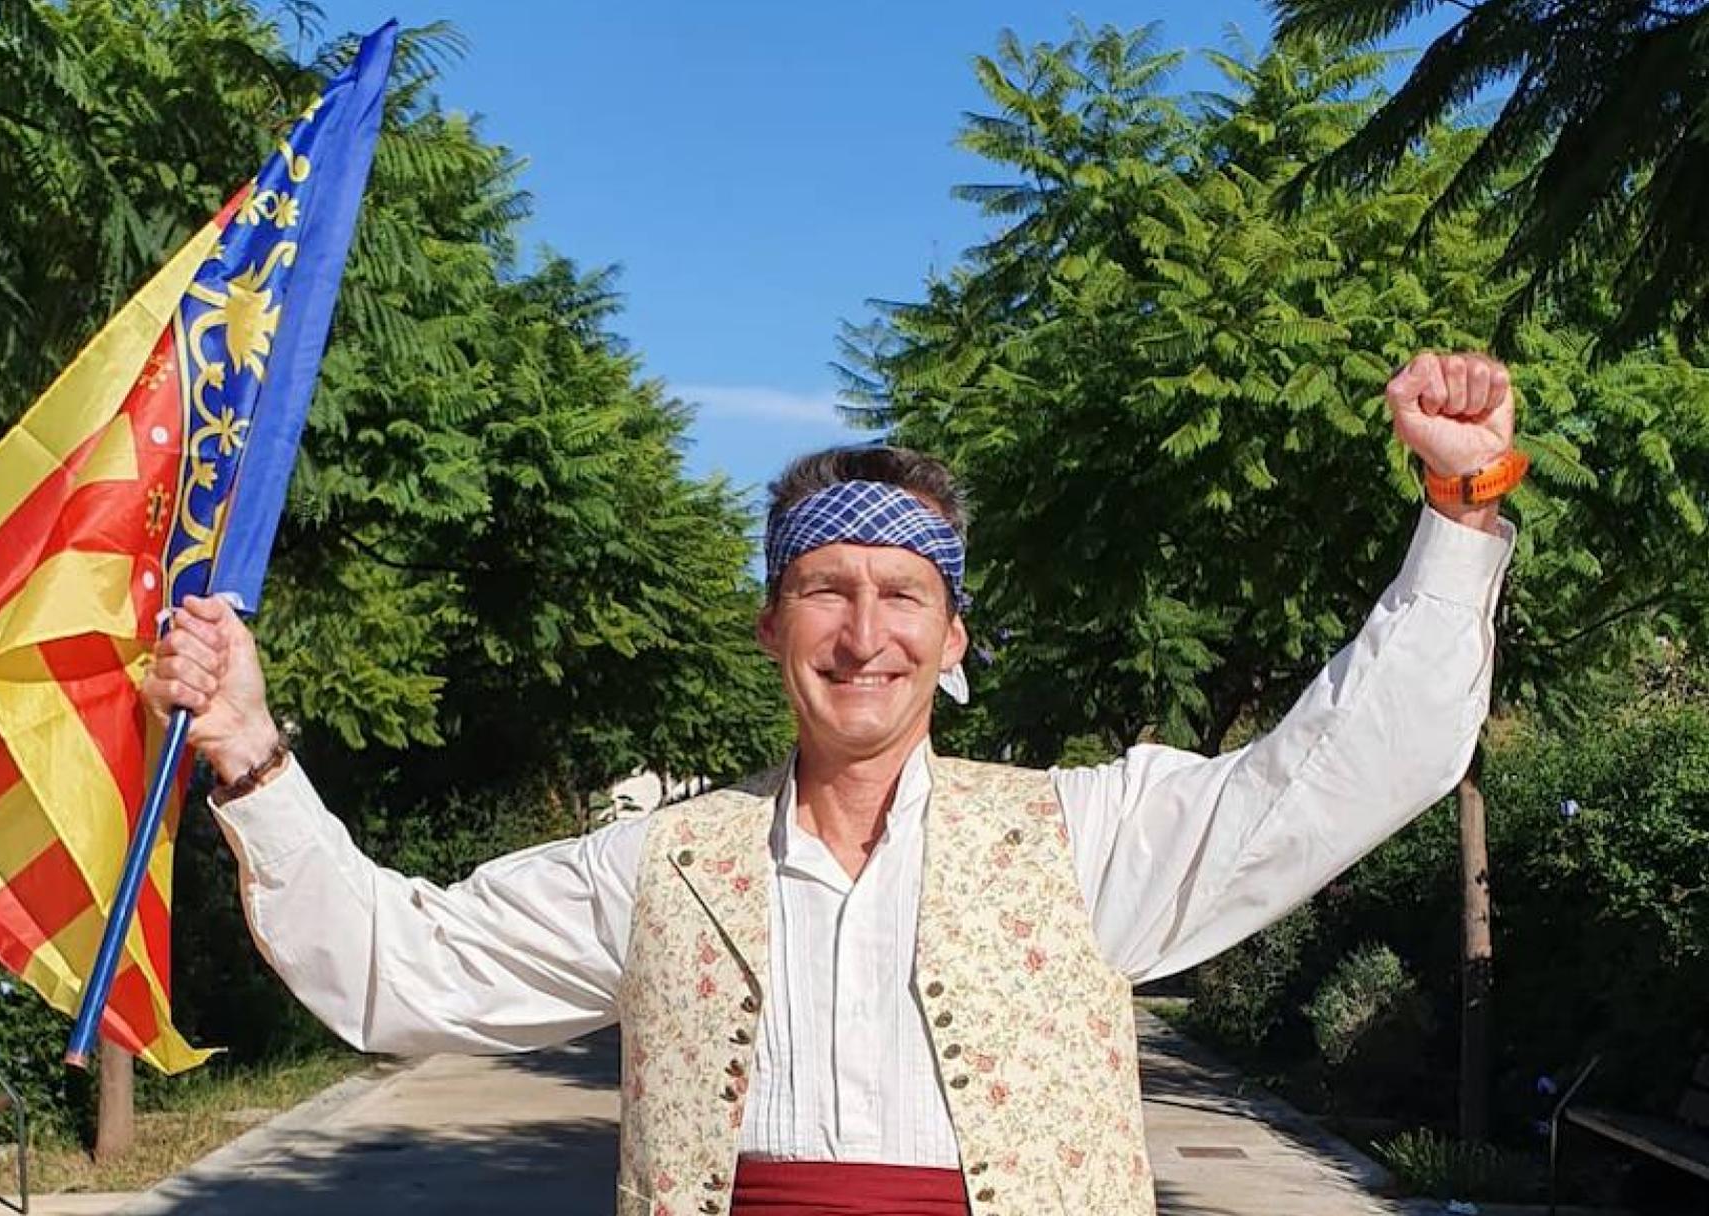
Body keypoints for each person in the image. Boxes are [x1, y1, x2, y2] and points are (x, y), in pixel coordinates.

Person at [143, 351, 1520, 1216]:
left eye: (904, 597)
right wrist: (252, 755)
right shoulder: (662, 860)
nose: (865, 635)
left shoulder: (1082, 836)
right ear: (770, 627)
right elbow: (403, 971)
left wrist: (1457, 516)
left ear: (956, 637)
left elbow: (1336, 775)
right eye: (824, 592)